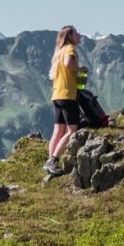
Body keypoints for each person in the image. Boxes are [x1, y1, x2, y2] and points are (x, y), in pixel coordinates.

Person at [44, 26, 83, 175]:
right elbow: (68, 63)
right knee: (72, 130)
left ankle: (50, 161)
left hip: (57, 95)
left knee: (58, 130)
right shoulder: (70, 49)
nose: (79, 35)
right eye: (76, 33)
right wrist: (79, 69)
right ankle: (53, 160)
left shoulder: (58, 51)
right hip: (68, 95)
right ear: (70, 37)